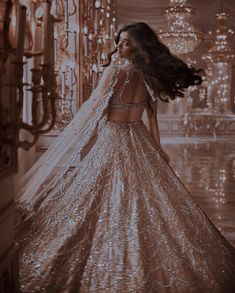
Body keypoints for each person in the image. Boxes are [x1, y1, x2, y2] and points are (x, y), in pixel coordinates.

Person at [16, 22, 235, 292]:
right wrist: (158, 149)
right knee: (151, 200)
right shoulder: (148, 74)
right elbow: (152, 117)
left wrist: (80, 140)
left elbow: (96, 109)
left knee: (98, 197)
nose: (119, 47)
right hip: (139, 137)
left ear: (139, 46)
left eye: (126, 43)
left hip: (113, 137)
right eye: (119, 41)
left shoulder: (115, 71)